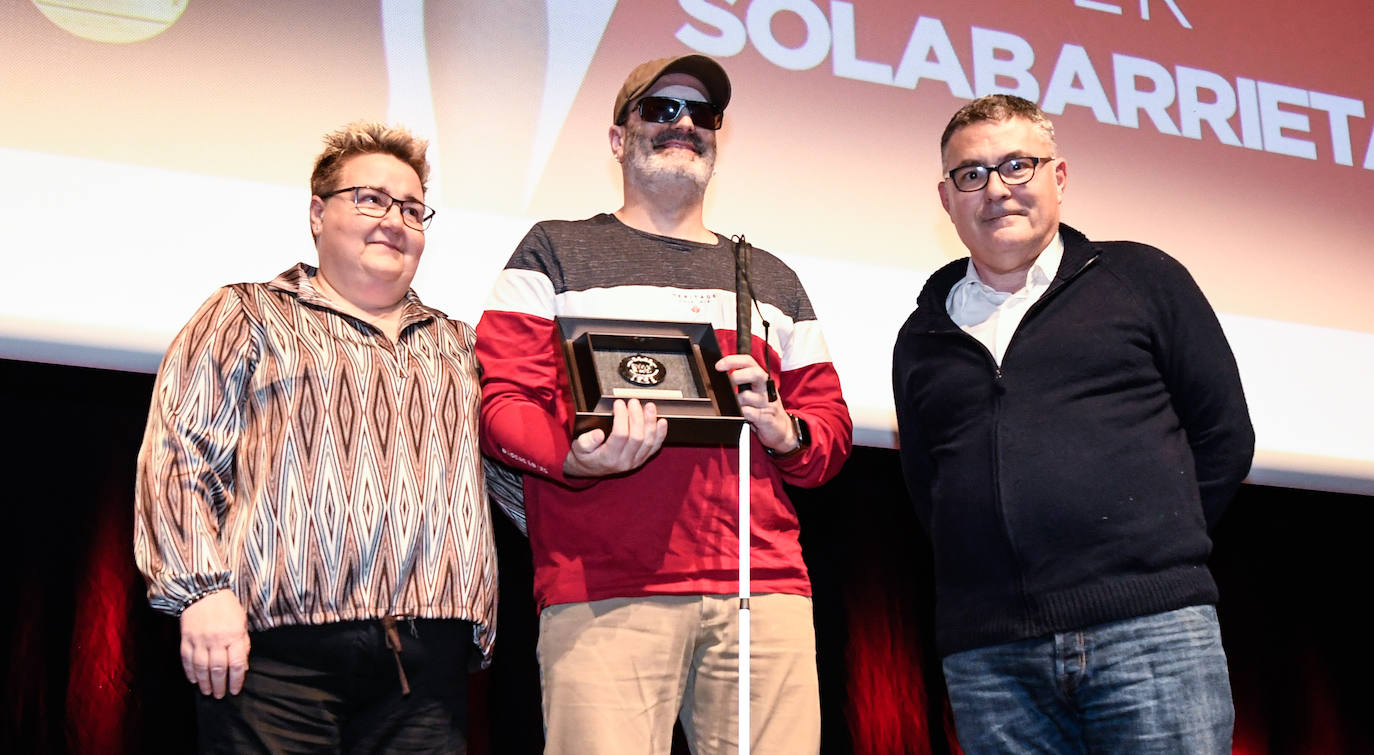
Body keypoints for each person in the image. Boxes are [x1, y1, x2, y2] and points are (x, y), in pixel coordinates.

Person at [475, 55, 852, 753]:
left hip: (760, 591)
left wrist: (782, 427)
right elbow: (500, 403)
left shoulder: (772, 278)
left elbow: (828, 431)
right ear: (618, 138)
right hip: (604, 587)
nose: (684, 125)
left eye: (702, 115)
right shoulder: (554, 252)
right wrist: (573, 456)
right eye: (660, 109)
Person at [892, 94, 1255, 753]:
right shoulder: (922, 333)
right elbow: (929, 487)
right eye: (972, 174)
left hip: (1153, 633)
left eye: (1017, 166)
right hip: (990, 657)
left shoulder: (1141, 279)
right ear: (946, 199)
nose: (996, 189)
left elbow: (1223, 435)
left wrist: (1147, 553)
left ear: (1058, 176)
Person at [134, 122, 497, 753]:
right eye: (370, 199)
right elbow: (178, 457)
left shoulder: (461, 344)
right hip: (275, 661)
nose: (394, 220)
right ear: (316, 213)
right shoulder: (245, 312)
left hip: (426, 667)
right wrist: (201, 592)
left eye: (412, 209)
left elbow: (515, 475)